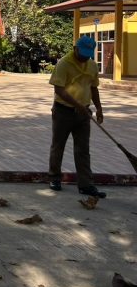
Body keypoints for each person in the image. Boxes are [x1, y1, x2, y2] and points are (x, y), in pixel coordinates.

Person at [48, 35, 106, 198]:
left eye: (88, 55)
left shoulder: (92, 65)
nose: (84, 58)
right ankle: (54, 178)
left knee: (83, 150)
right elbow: (59, 90)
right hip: (63, 112)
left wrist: (99, 108)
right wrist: (78, 106)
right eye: (82, 54)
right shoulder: (63, 64)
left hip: (84, 114)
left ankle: (86, 184)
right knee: (58, 146)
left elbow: (94, 88)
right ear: (75, 49)